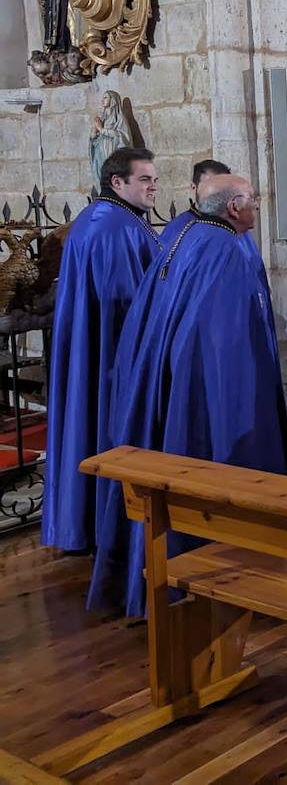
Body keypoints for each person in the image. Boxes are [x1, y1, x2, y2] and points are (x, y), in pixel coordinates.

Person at [88, 175, 287, 617]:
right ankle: (226, 571)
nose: (257, 206)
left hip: (167, 375)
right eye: (253, 200)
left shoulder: (187, 232)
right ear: (234, 207)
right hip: (202, 390)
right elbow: (225, 342)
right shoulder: (225, 250)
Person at [41, 147, 162, 554]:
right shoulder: (115, 228)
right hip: (112, 359)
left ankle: (85, 524)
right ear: (118, 182)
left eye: (154, 179)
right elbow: (126, 306)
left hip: (93, 352)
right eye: (145, 179)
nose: (153, 187)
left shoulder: (103, 220)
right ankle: (110, 529)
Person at [163, 158, 266, 287]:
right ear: (194, 187)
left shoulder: (237, 226)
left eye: (225, 189)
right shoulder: (177, 229)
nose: (220, 195)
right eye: (213, 188)